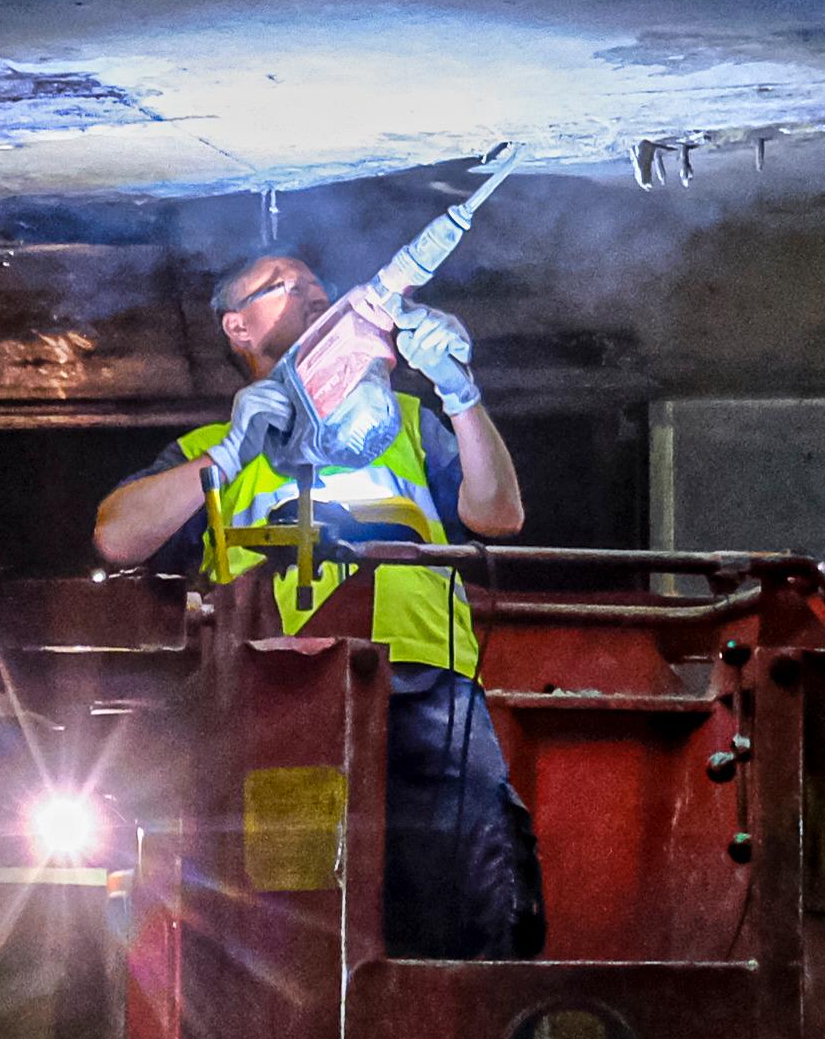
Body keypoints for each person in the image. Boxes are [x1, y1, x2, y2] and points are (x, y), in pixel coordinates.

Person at [92, 249, 537, 957]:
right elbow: (117, 535)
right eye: (285, 287)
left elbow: (498, 515)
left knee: (474, 895)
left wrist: (459, 391)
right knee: (289, 916)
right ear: (237, 328)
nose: (312, 296)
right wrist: (231, 456)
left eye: (316, 288)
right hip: (279, 698)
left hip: (423, 690)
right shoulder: (210, 449)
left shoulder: (406, 424)